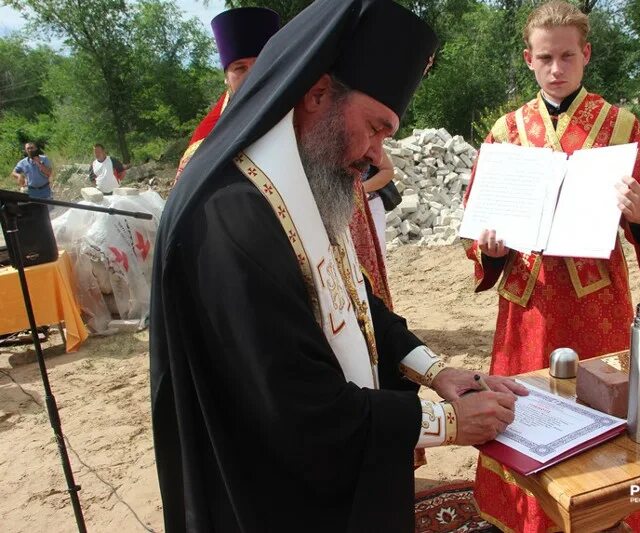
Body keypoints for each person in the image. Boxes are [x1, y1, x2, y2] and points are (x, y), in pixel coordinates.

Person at [149, 1, 528, 531]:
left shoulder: (297, 172)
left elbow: (351, 298)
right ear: (318, 94)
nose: (376, 154)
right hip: (268, 489)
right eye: (375, 127)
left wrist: (438, 372)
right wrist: (446, 423)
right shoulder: (231, 213)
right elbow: (292, 399)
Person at [465, 2, 640, 532]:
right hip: (528, 306)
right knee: (525, 416)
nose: (557, 68)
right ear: (528, 58)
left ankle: (609, 514)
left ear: (586, 54)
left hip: (597, 304)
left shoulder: (621, 125)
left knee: (605, 412)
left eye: (568, 56)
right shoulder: (505, 131)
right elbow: (479, 216)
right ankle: (529, 519)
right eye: (545, 57)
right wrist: (488, 248)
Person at [173, 7, 281, 181]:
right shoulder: (206, 139)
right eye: (240, 68)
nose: (252, 75)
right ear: (226, 79)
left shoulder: (308, 107)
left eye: (261, 62)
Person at [349, 147, 395, 308]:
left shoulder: (367, 136)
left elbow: (387, 170)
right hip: (338, 209)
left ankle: (376, 309)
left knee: (374, 256)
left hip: (370, 205)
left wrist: (359, 189)